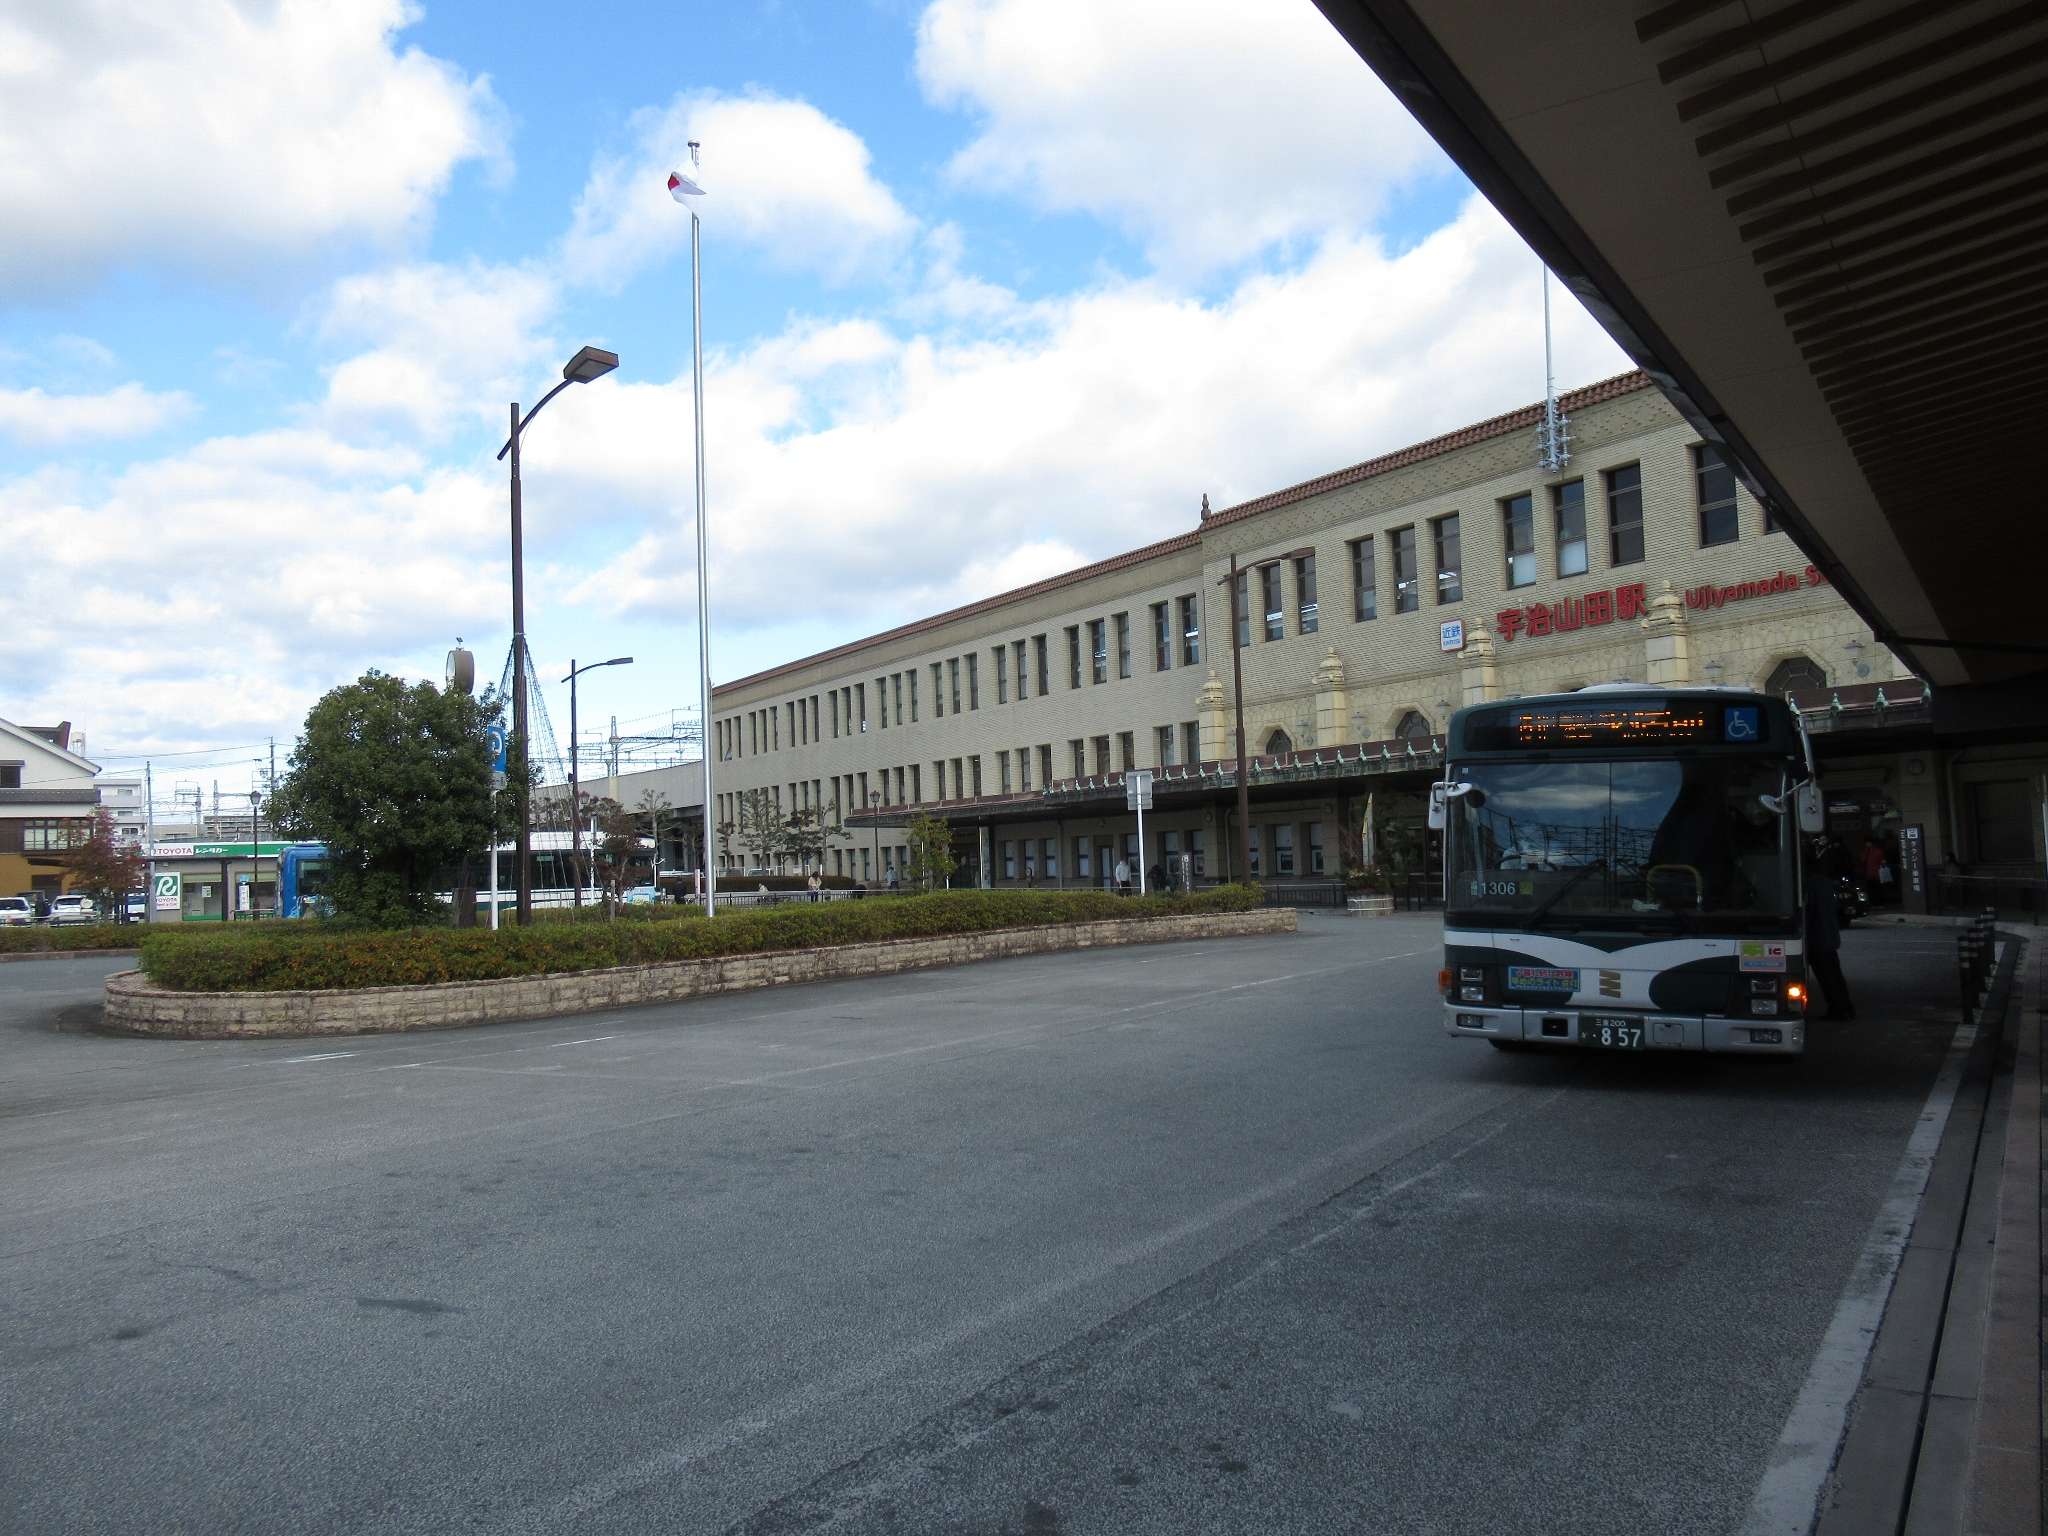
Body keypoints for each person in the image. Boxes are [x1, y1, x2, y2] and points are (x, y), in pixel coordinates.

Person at [1803, 841, 1855, 1020]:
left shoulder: (1809, 884)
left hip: (1817, 938)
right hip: (1828, 936)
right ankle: (1845, 1007)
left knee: (1827, 977)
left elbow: (1810, 913)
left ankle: (1839, 1009)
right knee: (1834, 974)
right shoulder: (1824, 883)